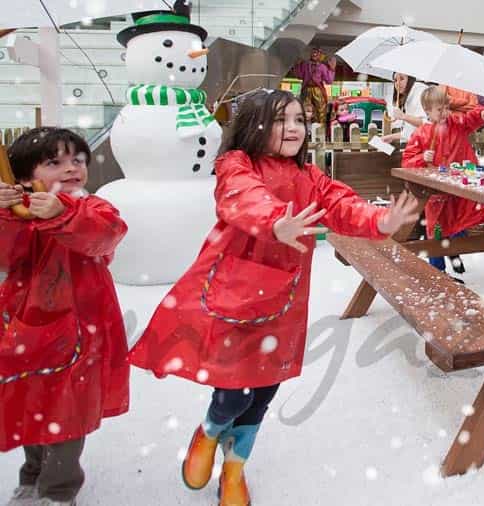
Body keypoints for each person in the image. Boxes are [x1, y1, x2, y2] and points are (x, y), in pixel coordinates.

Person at [127, 90, 421, 506]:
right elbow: (242, 196)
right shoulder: (236, 164)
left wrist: (379, 219)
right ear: (254, 125)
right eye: (281, 119)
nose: (294, 128)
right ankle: (209, 431)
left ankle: (234, 469)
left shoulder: (309, 176)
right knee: (235, 390)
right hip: (233, 294)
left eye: (300, 120)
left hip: (284, 298)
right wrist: (275, 220)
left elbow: (339, 203)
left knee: (264, 391)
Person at [1, 127, 130, 506]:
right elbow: (8, 256)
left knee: (68, 409)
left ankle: (58, 490)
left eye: (77, 159)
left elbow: (107, 235)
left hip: (81, 327)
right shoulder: (17, 212)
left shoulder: (93, 206)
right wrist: (7, 217)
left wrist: (63, 213)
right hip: (26, 324)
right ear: (25, 177)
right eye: (54, 162)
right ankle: (33, 474)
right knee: (31, 396)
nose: (71, 168)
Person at [402, 86, 484, 281]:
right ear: (427, 111)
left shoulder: (457, 123)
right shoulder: (421, 134)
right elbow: (407, 161)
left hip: (461, 189)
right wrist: (422, 157)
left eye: (446, 108)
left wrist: (481, 113)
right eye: (439, 110)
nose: (444, 113)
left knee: (462, 221)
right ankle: (438, 272)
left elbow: (470, 118)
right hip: (436, 195)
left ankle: (455, 255)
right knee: (436, 231)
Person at [291, 47, 337, 126]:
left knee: (320, 110)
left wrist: (332, 69)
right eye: (313, 52)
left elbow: (329, 81)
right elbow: (299, 76)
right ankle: (304, 127)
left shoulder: (322, 67)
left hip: (318, 90)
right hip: (306, 89)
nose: (314, 54)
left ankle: (320, 129)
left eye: (317, 52)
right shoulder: (305, 64)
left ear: (320, 55)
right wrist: (297, 65)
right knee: (304, 109)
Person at [381, 72, 428, 145]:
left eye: (402, 79)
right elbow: (410, 131)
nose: (397, 83)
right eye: (395, 80)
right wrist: (391, 137)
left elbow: (425, 125)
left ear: (410, 79)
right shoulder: (408, 96)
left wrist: (403, 116)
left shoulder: (420, 92)